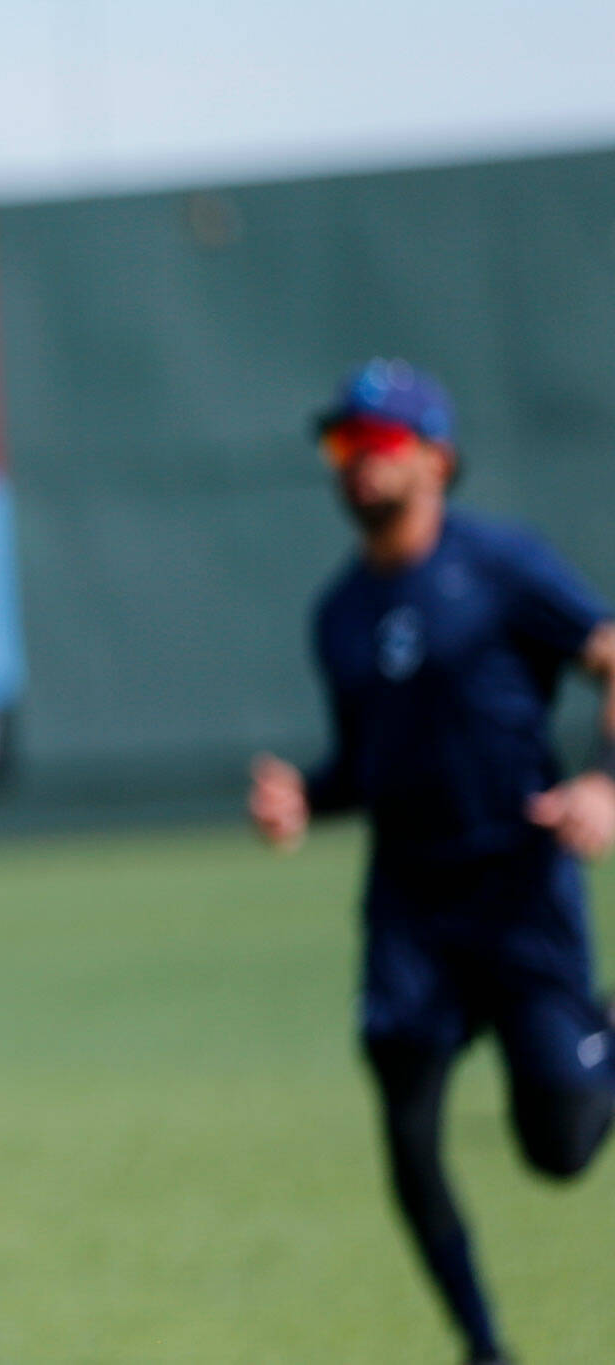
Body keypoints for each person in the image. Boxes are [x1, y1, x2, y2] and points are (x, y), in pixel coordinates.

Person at [249, 359, 615, 1365]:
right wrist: (304, 798)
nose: (356, 464)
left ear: (436, 459)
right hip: (410, 908)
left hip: (518, 888)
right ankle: (483, 1349)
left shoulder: (499, 566)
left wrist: (601, 782)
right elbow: (369, 766)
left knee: (559, 1147)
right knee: (407, 1131)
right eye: (341, 446)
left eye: (378, 443)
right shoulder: (337, 614)